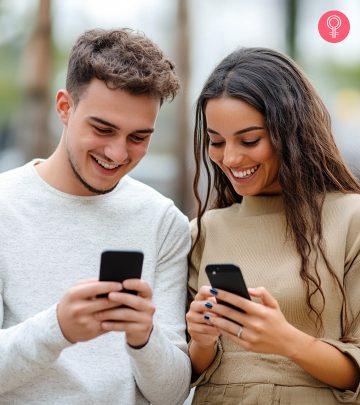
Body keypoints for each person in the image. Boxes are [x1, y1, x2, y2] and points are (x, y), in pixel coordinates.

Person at [0, 28, 191, 404]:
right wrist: (58, 327)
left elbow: (172, 394)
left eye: (139, 137)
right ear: (64, 108)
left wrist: (144, 338)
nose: (118, 153)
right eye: (103, 129)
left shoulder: (163, 222)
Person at [186, 47, 360, 404]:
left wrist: (286, 341)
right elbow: (185, 372)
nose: (231, 158)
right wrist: (200, 341)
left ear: (291, 132)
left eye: (249, 140)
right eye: (216, 142)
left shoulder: (350, 219)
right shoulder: (204, 231)